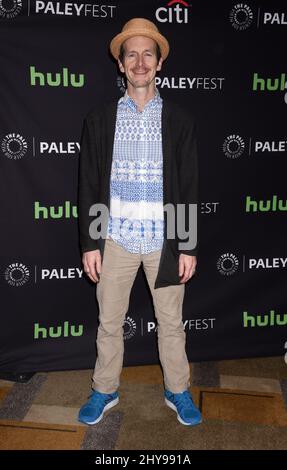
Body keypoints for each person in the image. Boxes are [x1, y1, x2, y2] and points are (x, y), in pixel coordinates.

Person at [77, 18, 201, 427]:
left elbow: (188, 185)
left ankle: (178, 390)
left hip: (164, 244)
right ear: (121, 64)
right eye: (132, 54)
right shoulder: (100, 119)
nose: (140, 61)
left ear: (159, 63)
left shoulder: (179, 120)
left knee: (171, 323)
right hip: (115, 241)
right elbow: (90, 183)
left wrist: (187, 244)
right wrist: (91, 242)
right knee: (108, 322)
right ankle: (104, 389)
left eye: (149, 53)